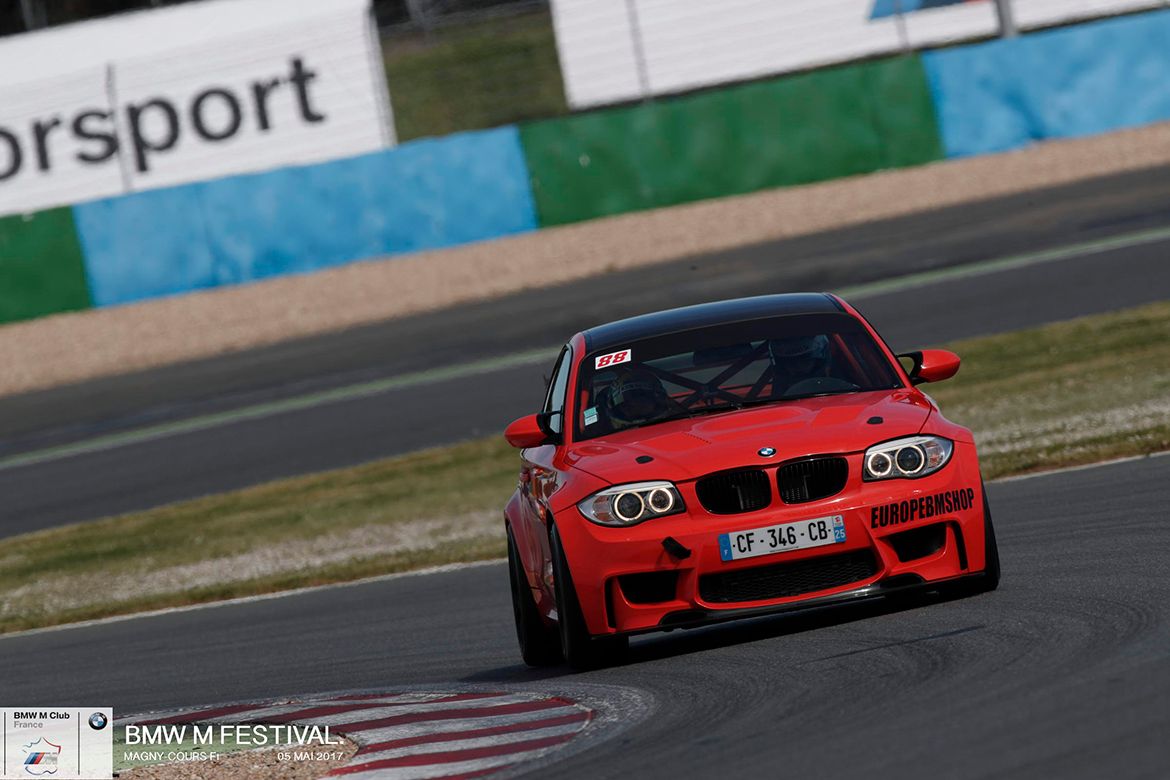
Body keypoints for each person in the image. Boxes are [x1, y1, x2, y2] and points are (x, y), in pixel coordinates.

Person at [601, 366, 683, 431]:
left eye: (640, 401)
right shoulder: (601, 436)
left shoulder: (681, 420)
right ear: (617, 409)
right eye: (627, 404)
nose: (634, 406)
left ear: (657, 401)